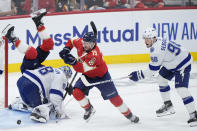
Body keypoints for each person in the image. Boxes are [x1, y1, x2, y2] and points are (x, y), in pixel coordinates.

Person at [59, 23, 139, 123]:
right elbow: (72, 40)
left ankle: (129, 115)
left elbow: (81, 69)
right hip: (88, 76)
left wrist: (73, 61)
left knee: (114, 99)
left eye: (87, 43)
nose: (84, 45)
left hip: (102, 77)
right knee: (76, 92)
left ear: (93, 44)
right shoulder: (81, 43)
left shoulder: (94, 56)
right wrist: (67, 48)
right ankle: (89, 109)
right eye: (84, 42)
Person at [2, 9, 72, 123]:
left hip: (32, 73)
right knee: (47, 45)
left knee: (33, 52)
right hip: (30, 71)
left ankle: (16, 35)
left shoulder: (54, 74)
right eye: (67, 75)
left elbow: (54, 86)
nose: (67, 77)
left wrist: (66, 85)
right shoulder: (57, 75)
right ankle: (32, 26)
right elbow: (56, 90)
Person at [128, 27, 197, 127]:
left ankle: (194, 114)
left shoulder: (157, 50)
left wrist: (138, 75)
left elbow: (152, 70)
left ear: (154, 38)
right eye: (145, 38)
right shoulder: (158, 40)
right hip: (172, 61)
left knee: (181, 89)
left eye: (148, 38)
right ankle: (168, 105)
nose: (146, 41)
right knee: (161, 79)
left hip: (183, 63)